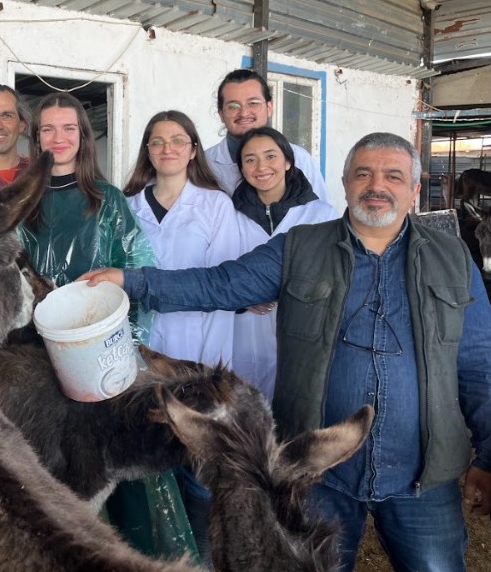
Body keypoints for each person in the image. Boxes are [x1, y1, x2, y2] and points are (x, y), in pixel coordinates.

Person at [83, 132, 491, 572]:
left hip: (423, 478)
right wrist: (131, 280)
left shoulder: (453, 258)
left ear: (415, 190)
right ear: (344, 182)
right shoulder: (300, 247)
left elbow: (480, 362)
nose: (376, 185)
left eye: (393, 176)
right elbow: (220, 284)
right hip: (315, 473)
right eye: (363, 173)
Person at [18, 93, 197, 562]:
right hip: (41, 356)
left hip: (107, 351)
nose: (58, 139)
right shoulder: (20, 204)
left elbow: (137, 265)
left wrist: (130, 347)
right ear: (35, 138)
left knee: (131, 462)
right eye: (48, 130)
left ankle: (153, 556)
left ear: (82, 136)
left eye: (68, 129)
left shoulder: (107, 199)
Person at [122, 110, 241, 566]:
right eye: (157, 141)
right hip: (142, 362)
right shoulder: (128, 206)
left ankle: (205, 561)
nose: (167, 148)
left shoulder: (215, 206)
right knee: (148, 467)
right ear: (147, 151)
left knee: (200, 475)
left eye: (177, 140)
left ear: (193, 148)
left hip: (199, 357)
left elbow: (222, 286)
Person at [229, 126, 339, 399]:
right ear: (241, 168)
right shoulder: (229, 216)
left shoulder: (321, 215)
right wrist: (241, 299)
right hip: (242, 337)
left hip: (303, 337)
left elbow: (335, 279)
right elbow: (219, 273)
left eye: (271, 156)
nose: (261, 166)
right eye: (250, 159)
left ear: (288, 162)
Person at [204, 68, 329, 201]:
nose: (244, 113)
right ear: (221, 114)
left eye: (253, 103)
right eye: (233, 106)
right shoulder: (204, 165)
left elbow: (324, 216)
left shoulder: (300, 159)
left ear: (269, 108)